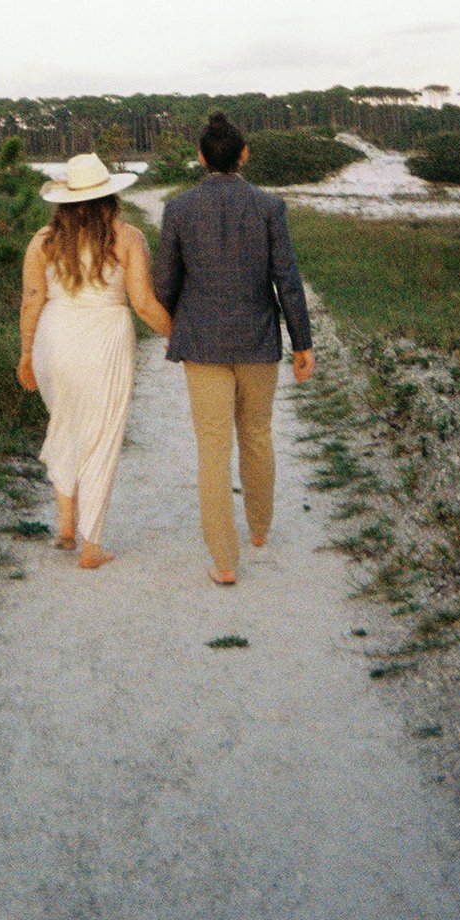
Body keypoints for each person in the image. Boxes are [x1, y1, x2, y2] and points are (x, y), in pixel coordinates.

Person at [153, 112, 315, 585]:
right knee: (258, 434)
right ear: (244, 155)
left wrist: (173, 324)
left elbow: (164, 281)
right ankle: (259, 529)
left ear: (201, 157)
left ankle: (224, 560)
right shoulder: (269, 206)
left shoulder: (179, 209)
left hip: (202, 343)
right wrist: (302, 342)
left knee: (212, 447)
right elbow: (287, 278)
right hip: (258, 340)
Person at [17, 152, 171, 569]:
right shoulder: (127, 238)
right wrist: (179, 335)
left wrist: (27, 354)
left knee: (65, 425)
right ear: (110, 198)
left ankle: (66, 528)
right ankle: (91, 545)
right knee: (102, 436)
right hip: (104, 341)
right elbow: (142, 303)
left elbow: (33, 300)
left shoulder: (43, 241)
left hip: (54, 340)